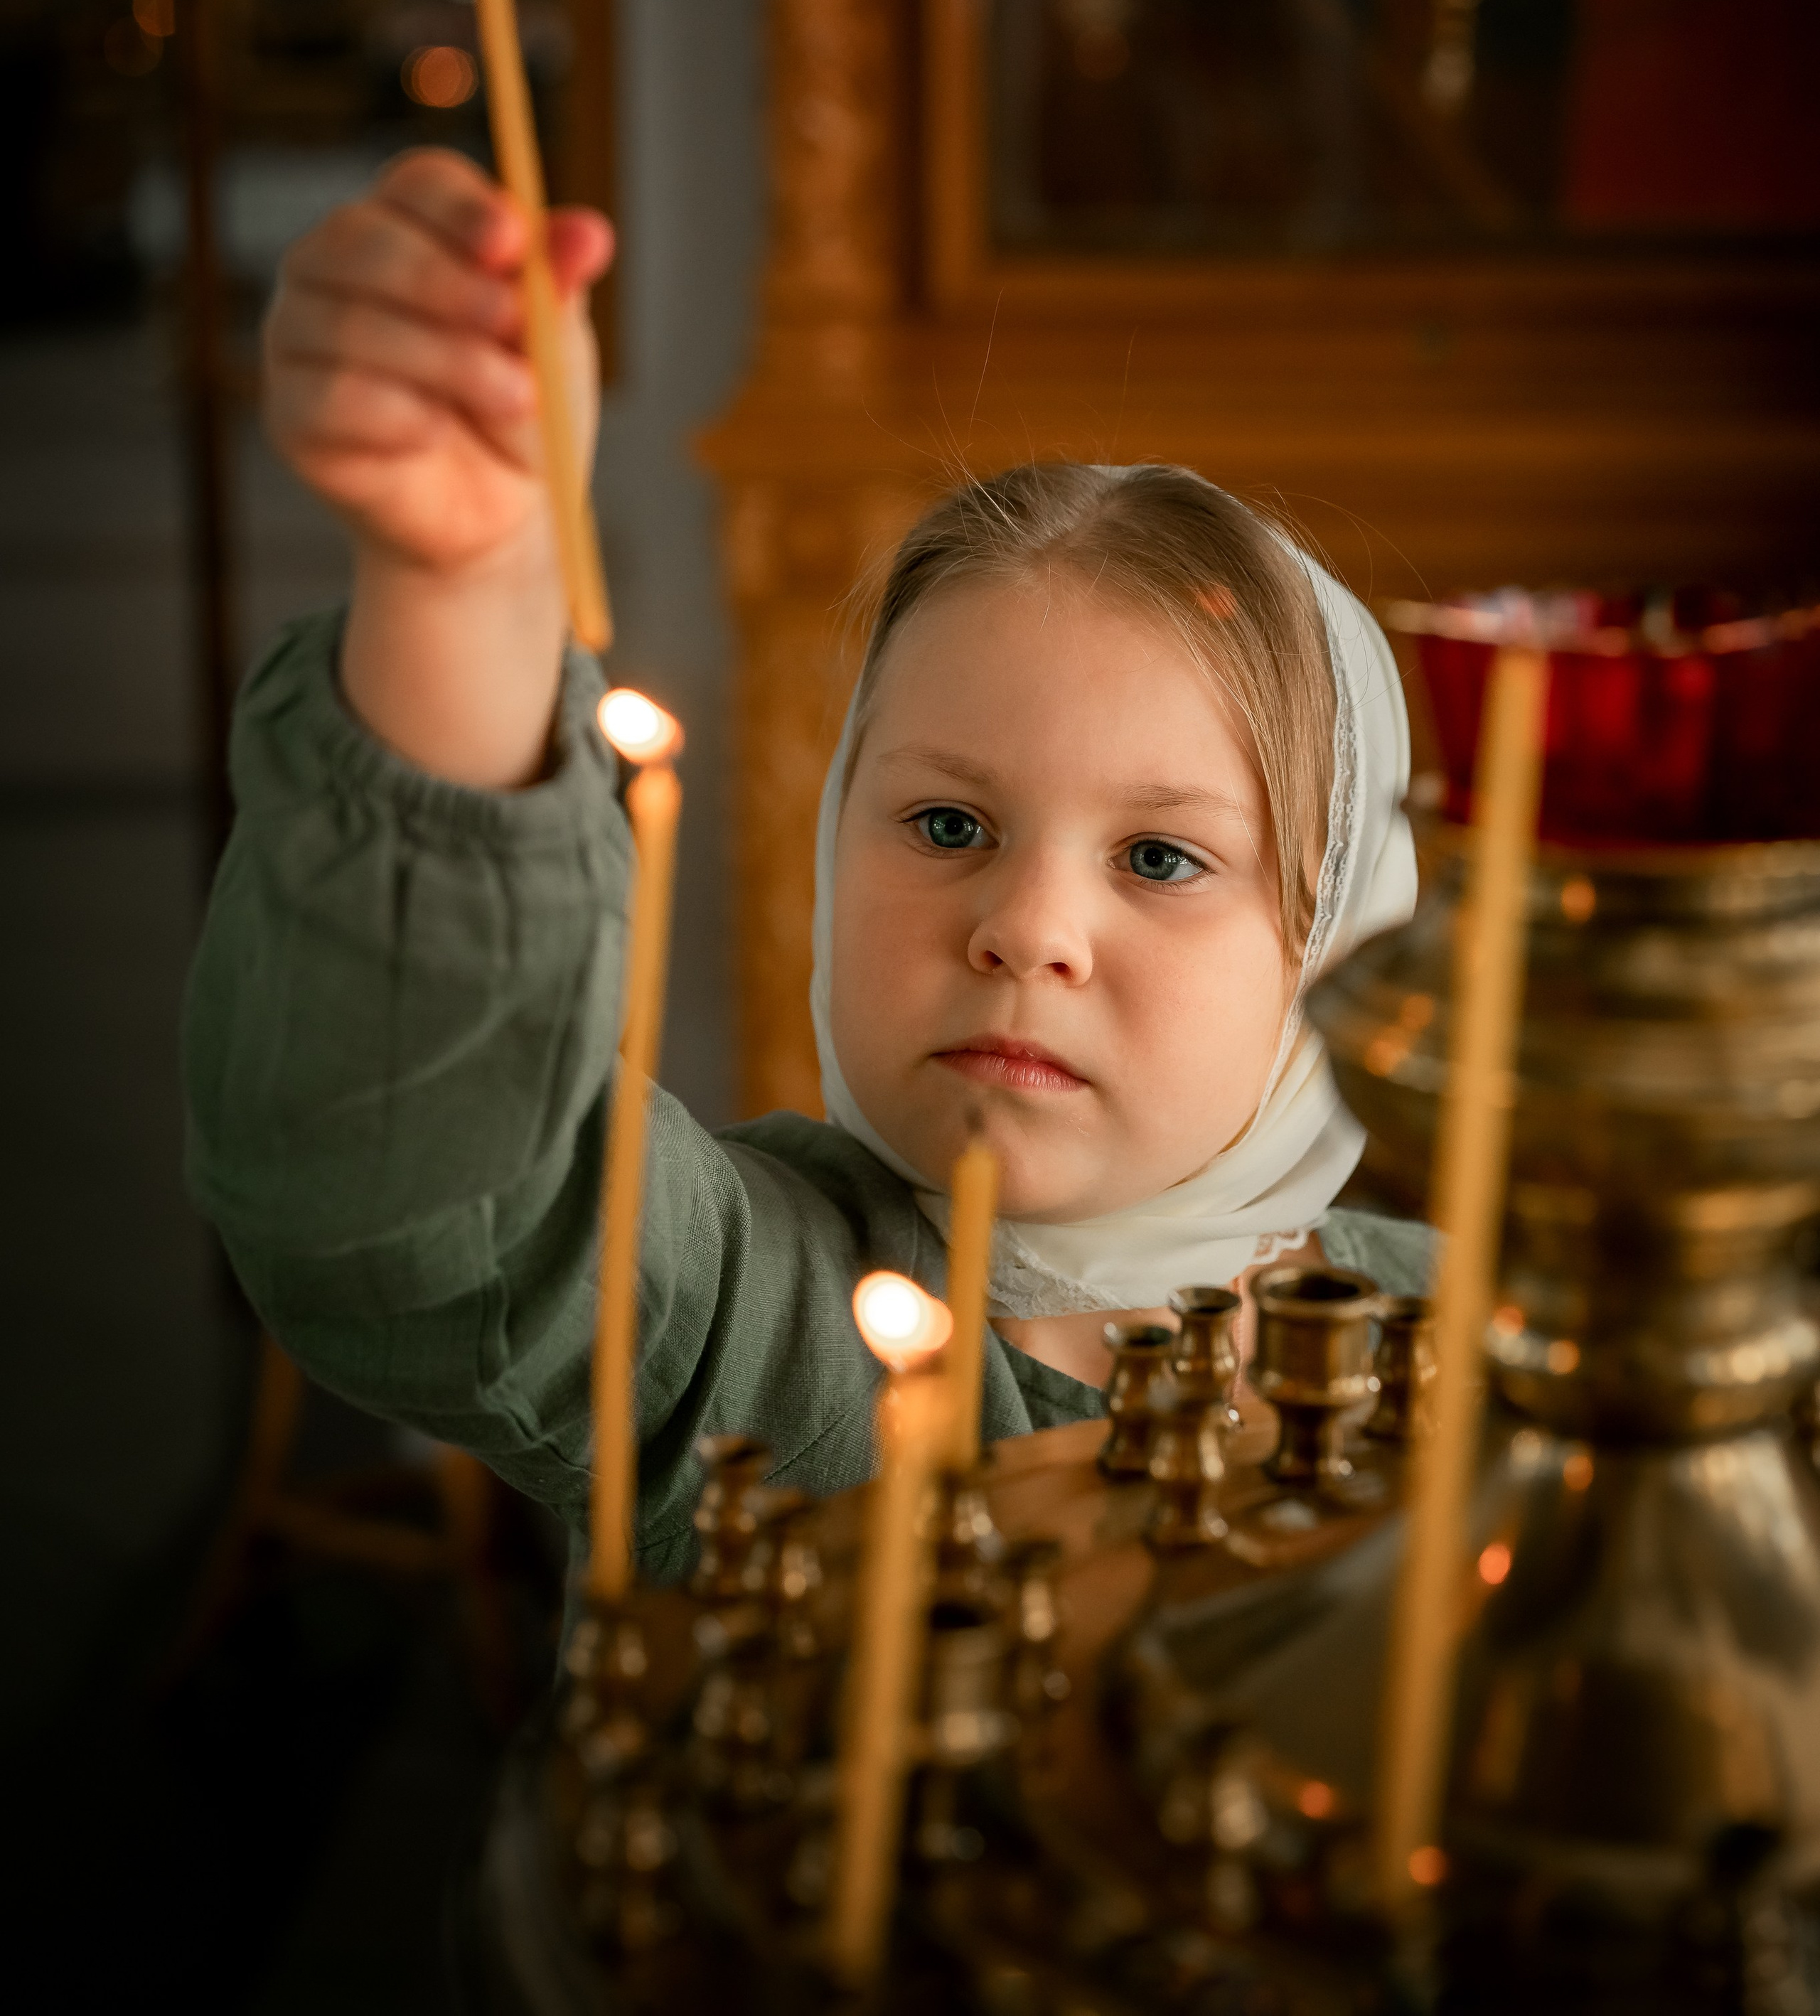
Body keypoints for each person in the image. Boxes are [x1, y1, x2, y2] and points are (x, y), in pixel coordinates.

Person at [184, 151, 1432, 1583]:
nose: (1026, 929)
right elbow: (434, 1210)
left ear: (1338, 939)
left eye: (1159, 855)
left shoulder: (1472, 1351)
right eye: (948, 826)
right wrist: (465, 591)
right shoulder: (754, 1326)